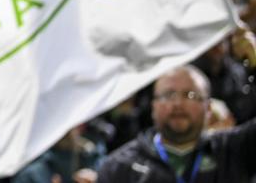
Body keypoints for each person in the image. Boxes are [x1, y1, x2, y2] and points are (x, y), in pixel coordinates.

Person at [96, 26, 256, 182]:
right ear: (153, 106)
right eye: (168, 95)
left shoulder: (235, 150)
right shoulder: (119, 167)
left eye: (190, 95)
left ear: (208, 108)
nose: (178, 103)